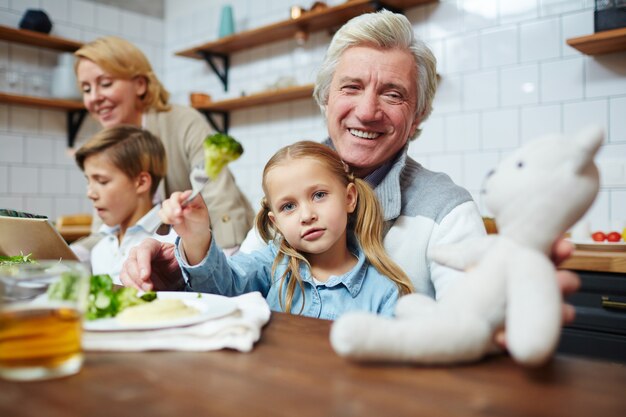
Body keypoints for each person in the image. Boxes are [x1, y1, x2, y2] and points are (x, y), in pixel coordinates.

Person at [120, 11, 578, 332]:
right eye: (352, 87)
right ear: (325, 100)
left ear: (417, 117)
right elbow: (235, 287)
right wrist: (176, 271)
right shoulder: (286, 187)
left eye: (394, 94)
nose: (367, 110)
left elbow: (473, 313)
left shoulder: (447, 211)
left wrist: (502, 310)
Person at [160, 141, 413, 319]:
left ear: (349, 198)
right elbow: (220, 289)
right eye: (289, 206)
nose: (307, 215)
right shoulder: (271, 265)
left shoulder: (384, 291)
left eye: (319, 195)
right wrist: (196, 236)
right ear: (276, 221)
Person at [72, 36, 254, 258]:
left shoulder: (184, 121)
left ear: (140, 84)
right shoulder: (107, 148)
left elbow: (219, 196)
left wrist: (229, 264)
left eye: (106, 84)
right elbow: (104, 231)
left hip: (220, 249)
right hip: (162, 261)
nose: (94, 98)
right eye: (86, 89)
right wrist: (64, 258)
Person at [75, 125, 176, 284]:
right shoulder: (100, 249)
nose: (90, 193)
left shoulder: (171, 246)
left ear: (141, 182)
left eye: (102, 181)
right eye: (89, 181)